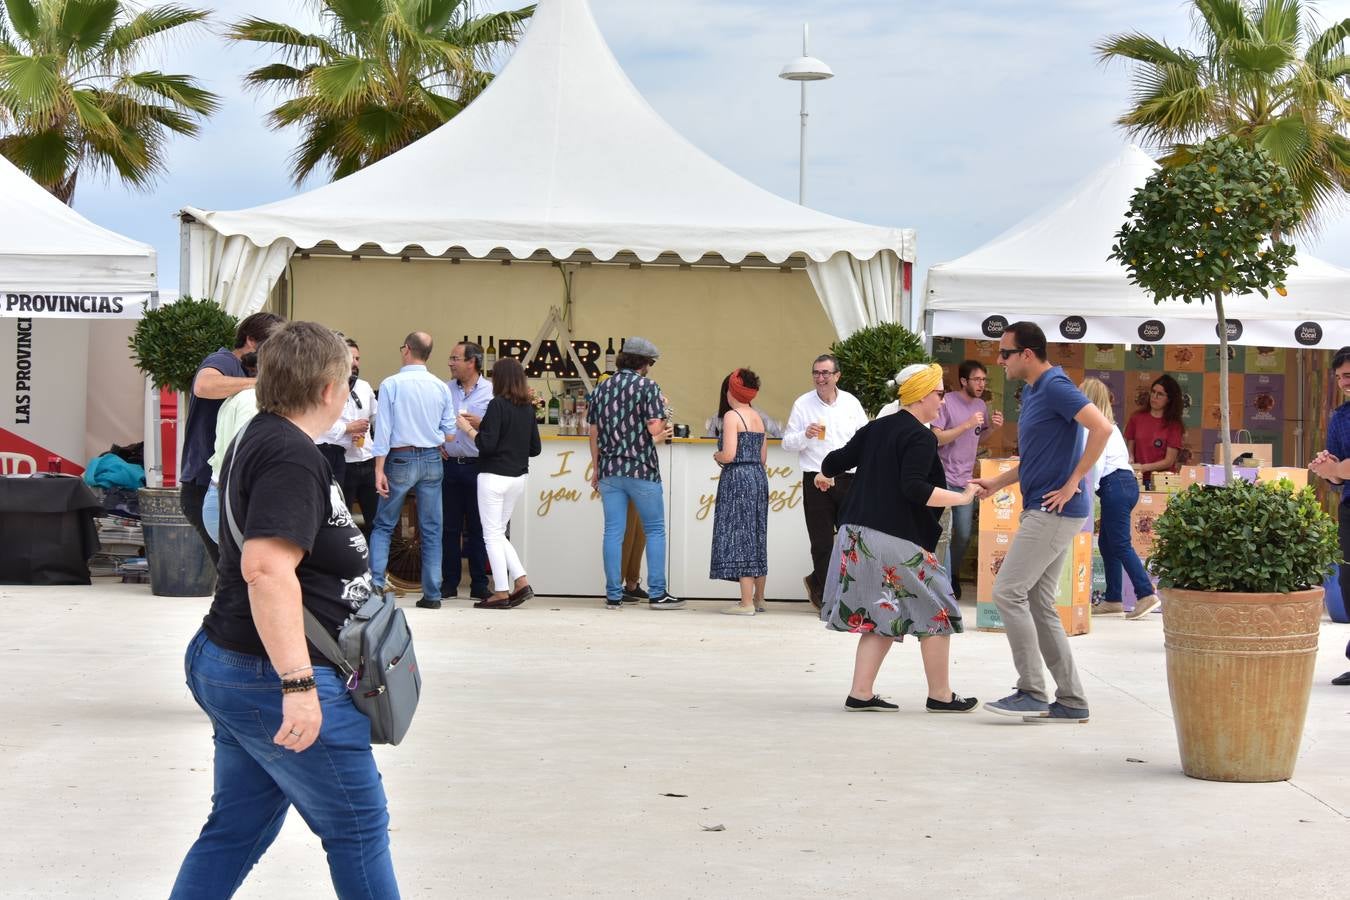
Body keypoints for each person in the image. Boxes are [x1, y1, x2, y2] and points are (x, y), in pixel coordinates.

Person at [171, 322, 399, 899]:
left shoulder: (267, 435)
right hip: (272, 673)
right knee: (357, 828)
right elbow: (266, 570)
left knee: (238, 828)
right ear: (329, 388)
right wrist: (297, 684)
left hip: (239, 662)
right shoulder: (289, 455)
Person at [817, 363, 981, 713]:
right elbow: (915, 489)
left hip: (854, 534)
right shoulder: (921, 436)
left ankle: (860, 693)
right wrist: (962, 497)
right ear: (922, 395)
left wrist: (824, 474)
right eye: (938, 394)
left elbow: (834, 460)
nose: (942, 401)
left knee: (883, 610)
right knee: (939, 608)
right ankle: (941, 695)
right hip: (890, 536)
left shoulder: (876, 428)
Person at [972, 322, 1112, 724]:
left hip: (1054, 510)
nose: (1000, 361)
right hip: (1044, 506)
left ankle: (1032, 690)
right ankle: (1070, 700)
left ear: (1027, 354)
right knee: (1037, 601)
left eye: (1005, 354)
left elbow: (1102, 428)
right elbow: (1037, 458)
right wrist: (995, 483)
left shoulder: (1054, 385)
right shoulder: (1034, 392)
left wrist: (1072, 483)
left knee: (1008, 591)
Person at [179, 312, 285, 565]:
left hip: (226, 484)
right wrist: (262, 383)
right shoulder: (224, 360)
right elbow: (204, 386)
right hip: (207, 483)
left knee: (235, 576)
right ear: (250, 339)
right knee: (234, 576)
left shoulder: (245, 373)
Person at [587, 336, 683, 610]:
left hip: (609, 470)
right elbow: (655, 430)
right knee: (654, 530)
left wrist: (596, 469)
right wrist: (663, 411)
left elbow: (593, 435)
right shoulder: (648, 387)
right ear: (644, 363)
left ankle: (613, 594)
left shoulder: (601, 389)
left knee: (613, 532)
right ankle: (657, 593)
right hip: (641, 468)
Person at [369, 332, 456, 609]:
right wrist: (433, 436)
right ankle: (432, 594)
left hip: (400, 458)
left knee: (384, 524)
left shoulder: (391, 384)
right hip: (432, 459)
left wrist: (378, 469)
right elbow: (451, 434)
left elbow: (382, 431)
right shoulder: (441, 387)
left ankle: (376, 588)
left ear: (406, 349)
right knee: (432, 528)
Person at [782, 353, 869, 608]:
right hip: (815, 478)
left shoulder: (851, 403)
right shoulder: (802, 404)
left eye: (825, 373)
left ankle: (835, 589)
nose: (820, 378)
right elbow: (788, 442)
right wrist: (804, 435)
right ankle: (827, 598)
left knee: (851, 538)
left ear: (837, 376)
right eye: (816, 373)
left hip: (847, 479)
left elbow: (864, 438)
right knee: (820, 541)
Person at [456, 358, 540, 609]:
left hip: (493, 476)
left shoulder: (497, 404)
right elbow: (534, 448)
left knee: (490, 534)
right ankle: (521, 581)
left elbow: (486, 445)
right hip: (517, 477)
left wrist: (467, 429)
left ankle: (502, 591)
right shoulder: (528, 409)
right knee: (498, 533)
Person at [1080, 378, 1159, 619]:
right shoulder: (1110, 426)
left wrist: (1086, 489)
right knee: (1107, 542)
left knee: (1120, 543)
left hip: (1113, 486)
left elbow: (1096, 462)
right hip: (1125, 485)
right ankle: (1113, 598)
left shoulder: (1094, 427)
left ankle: (1146, 593)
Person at [930, 360, 1004, 598]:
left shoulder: (981, 405)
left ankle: (951, 574)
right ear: (964, 381)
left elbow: (976, 439)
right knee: (944, 533)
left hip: (966, 480)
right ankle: (943, 581)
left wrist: (992, 429)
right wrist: (967, 424)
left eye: (984, 380)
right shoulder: (947, 402)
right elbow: (938, 438)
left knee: (963, 533)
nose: (982, 384)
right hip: (943, 476)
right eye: (977, 379)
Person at [710, 370, 769, 615]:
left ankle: (745, 603)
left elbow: (729, 454)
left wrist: (717, 456)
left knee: (741, 534)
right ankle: (759, 598)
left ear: (730, 391)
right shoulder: (757, 416)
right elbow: (763, 457)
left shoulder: (732, 417)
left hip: (737, 478)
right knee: (756, 533)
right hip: (757, 476)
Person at [1308, 345, 1350, 686]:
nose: (1344, 383)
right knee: (1349, 582)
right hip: (1349, 505)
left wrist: (1338, 468)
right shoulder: (1340, 416)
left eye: (1348, 375)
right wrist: (1326, 469)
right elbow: (1338, 472)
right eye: (1339, 378)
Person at [441, 340, 493, 602]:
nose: (450, 363)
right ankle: (449, 582)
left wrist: (481, 423)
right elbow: (433, 421)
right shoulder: (445, 389)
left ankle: (479, 584)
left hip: (477, 467)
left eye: (455, 358)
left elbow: (498, 430)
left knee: (478, 528)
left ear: (472, 362)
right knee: (448, 528)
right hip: (449, 465)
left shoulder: (490, 391)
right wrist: (436, 441)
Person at [200, 352, 260, 545]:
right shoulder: (253, 400)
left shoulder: (242, 396)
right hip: (233, 500)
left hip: (223, 495)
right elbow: (244, 457)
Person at [339, 337, 379, 541]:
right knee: (342, 522)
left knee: (376, 521)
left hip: (367, 462)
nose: (355, 363)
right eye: (350, 358)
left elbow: (377, 419)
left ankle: (375, 570)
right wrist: (347, 429)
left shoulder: (364, 387)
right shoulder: (326, 387)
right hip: (342, 464)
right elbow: (319, 426)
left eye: (358, 358)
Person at [1125, 374, 1184, 479]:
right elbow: (1130, 447)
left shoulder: (1174, 425)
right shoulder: (1136, 418)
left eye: (1160, 394)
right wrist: (1130, 459)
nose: (1154, 397)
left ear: (1169, 399)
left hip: (1162, 480)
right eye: (1153, 392)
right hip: (1137, 477)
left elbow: (1169, 461)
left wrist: (1144, 467)